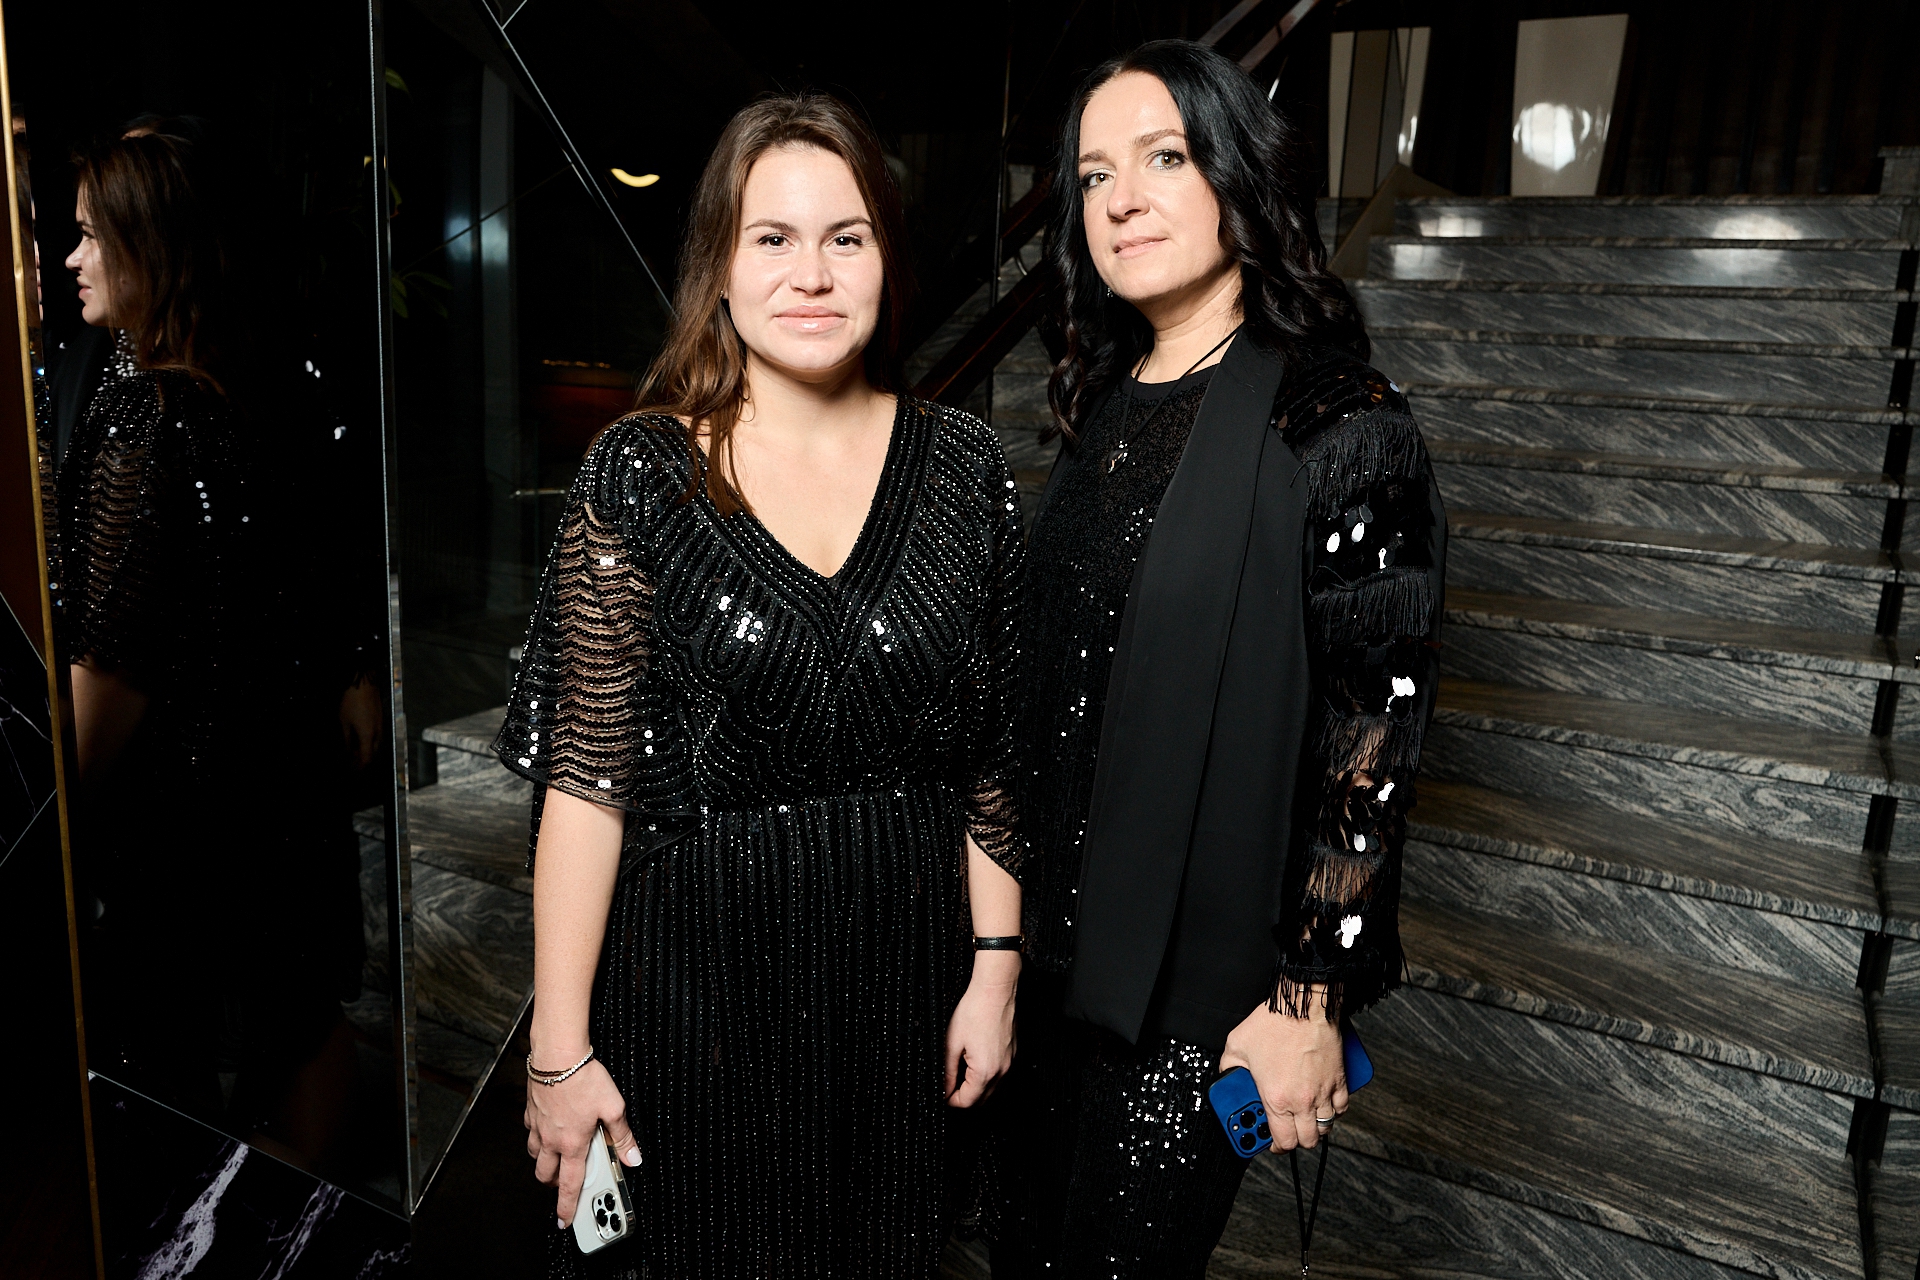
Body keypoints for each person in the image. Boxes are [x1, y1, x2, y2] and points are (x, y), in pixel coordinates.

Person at [502, 92, 1025, 1279]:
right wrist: (558, 1049)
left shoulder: (963, 465)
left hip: (903, 986)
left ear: (886, 259)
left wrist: (995, 967)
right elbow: (586, 782)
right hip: (697, 995)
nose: (813, 274)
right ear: (721, 269)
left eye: (847, 237)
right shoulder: (640, 472)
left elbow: (993, 754)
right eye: (773, 238)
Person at [990, 40, 1446, 1276]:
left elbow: (1372, 737)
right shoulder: (1102, 402)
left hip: (1196, 1001)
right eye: (1094, 174)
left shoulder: (1340, 422)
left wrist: (1310, 997)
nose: (1120, 199)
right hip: (1044, 970)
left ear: (1237, 176)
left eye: (1163, 158)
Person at [53, 126, 373, 1171]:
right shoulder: (272, 391)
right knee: (302, 1015)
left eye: (91, 235)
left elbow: (111, 667)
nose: (72, 258)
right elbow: (326, 574)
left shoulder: (142, 415)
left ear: (150, 247)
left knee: (165, 1072)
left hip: (181, 818)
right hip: (284, 791)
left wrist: (53, 815)